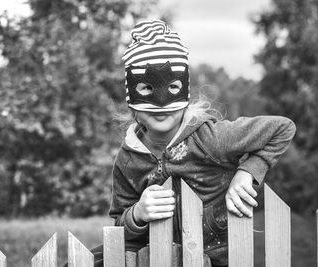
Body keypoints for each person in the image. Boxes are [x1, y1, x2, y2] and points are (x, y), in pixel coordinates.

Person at [65, 19, 296, 267]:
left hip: (213, 259)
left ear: (184, 92)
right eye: (147, 89)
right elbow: (119, 226)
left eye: (172, 87)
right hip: (151, 256)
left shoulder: (210, 138)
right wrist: (138, 214)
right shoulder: (128, 159)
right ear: (132, 98)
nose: (161, 103)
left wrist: (247, 172)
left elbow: (283, 128)